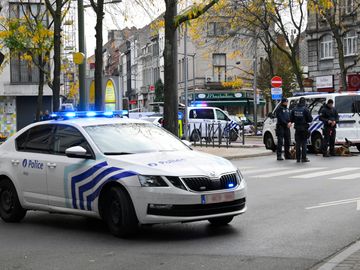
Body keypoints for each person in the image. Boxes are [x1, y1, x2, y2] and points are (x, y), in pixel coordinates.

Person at [290, 97, 313, 163]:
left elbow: (291, 119)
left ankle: (298, 158)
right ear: (304, 102)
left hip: (297, 129)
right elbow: (310, 119)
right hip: (304, 128)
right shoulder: (305, 109)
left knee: (297, 144)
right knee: (304, 144)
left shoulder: (294, 109)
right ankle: (304, 158)